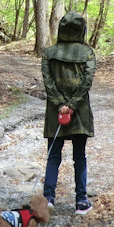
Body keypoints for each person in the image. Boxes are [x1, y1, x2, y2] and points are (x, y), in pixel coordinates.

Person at [41, 11, 97, 215]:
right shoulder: (88, 53)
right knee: (79, 156)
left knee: (53, 156)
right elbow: (86, 82)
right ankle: (81, 201)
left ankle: (48, 198)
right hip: (79, 112)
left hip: (55, 113)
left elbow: (48, 83)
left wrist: (60, 105)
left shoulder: (48, 53)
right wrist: (72, 106)